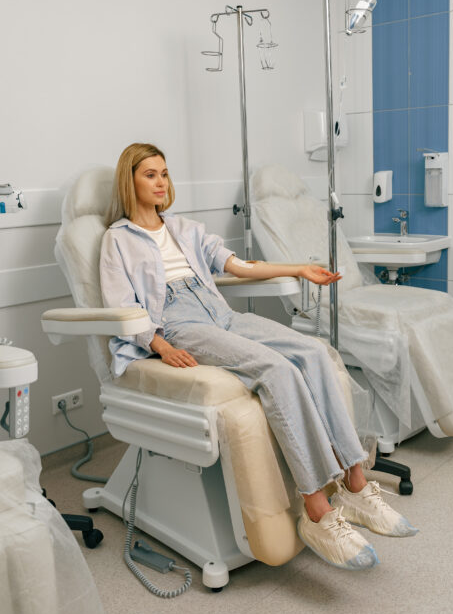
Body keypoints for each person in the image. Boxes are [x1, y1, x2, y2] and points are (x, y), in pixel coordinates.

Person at [99, 143, 418, 571]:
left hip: (218, 311)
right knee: (276, 370)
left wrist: (298, 269)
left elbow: (240, 266)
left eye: (165, 174)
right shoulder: (116, 240)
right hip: (177, 321)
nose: (161, 182)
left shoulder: (185, 229)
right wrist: (161, 345)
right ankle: (316, 510)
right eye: (150, 175)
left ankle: (356, 485)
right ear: (130, 180)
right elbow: (122, 305)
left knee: (313, 352)